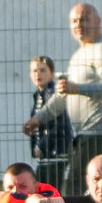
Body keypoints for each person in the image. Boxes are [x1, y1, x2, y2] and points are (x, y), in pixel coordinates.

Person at [56, 2, 102, 165]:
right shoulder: (79, 55)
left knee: (73, 188)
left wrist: (77, 88)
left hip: (101, 135)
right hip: (86, 134)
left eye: (84, 19)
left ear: (98, 22)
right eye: (74, 21)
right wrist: (38, 119)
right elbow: (65, 95)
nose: (78, 25)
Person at [20, 55, 71, 192]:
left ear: (52, 74)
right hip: (48, 155)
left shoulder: (53, 94)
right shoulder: (39, 95)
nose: (38, 74)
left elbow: (61, 124)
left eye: (43, 70)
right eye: (35, 71)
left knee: (48, 191)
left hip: (56, 154)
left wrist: (42, 145)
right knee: (41, 187)